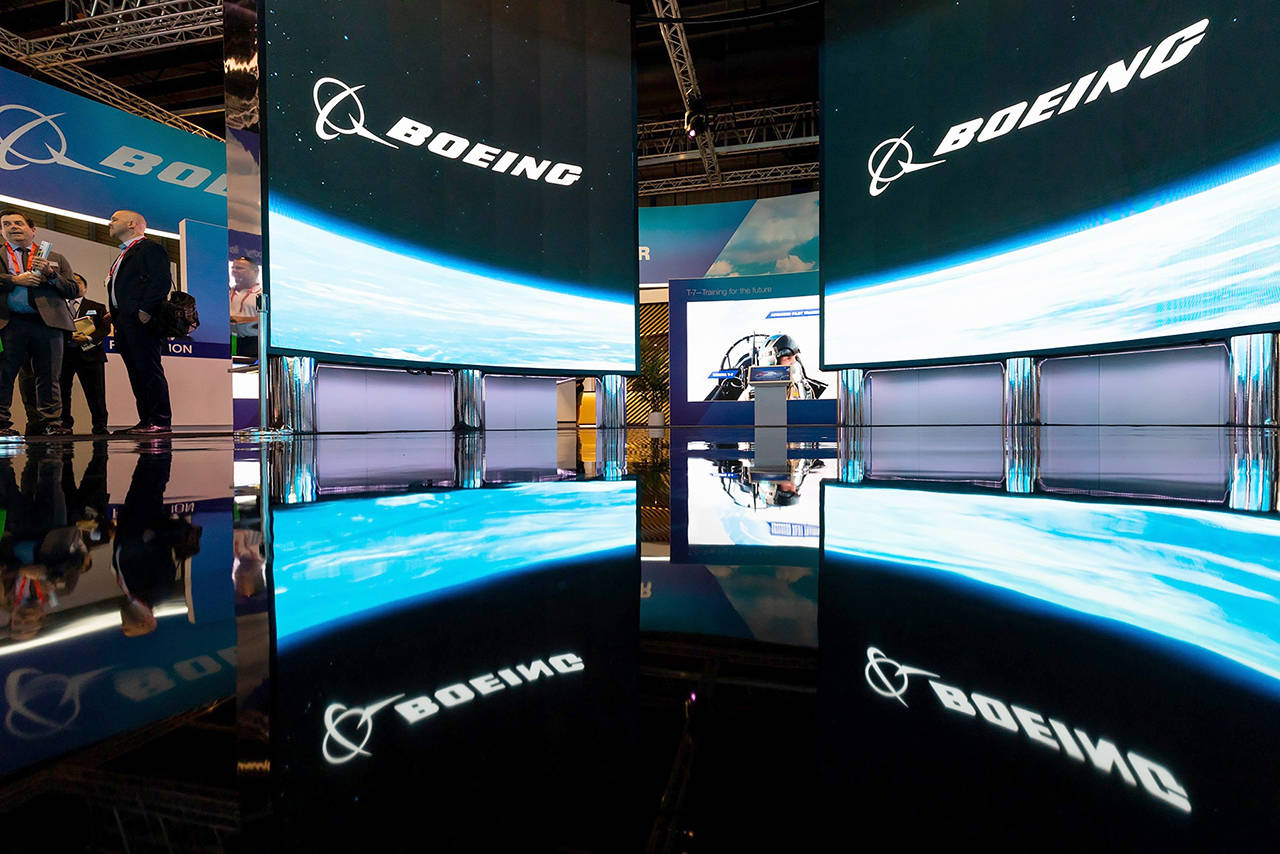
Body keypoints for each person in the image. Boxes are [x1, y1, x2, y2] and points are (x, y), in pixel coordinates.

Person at [0, 210, 83, 437]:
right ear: (1, 231)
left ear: (32, 230)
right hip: (8, 324)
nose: (13, 227)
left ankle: (51, 423)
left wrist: (51, 274)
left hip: (48, 324)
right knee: (4, 374)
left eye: (18, 223)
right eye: (6, 224)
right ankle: (1, 424)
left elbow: (74, 289)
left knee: (49, 375)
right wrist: (14, 279)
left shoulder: (55, 257)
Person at [105, 210, 172, 435]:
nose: (110, 223)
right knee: (136, 372)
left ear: (132, 224)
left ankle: (160, 421)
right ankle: (146, 420)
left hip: (140, 321)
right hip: (124, 321)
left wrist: (145, 310)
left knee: (149, 370)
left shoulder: (150, 248)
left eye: (115, 219)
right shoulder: (124, 253)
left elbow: (161, 281)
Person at [61, 273, 111, 435]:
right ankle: (64, 425)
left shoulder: (97, 306)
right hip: (63, 356)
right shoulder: (57, 307)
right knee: (62, 392)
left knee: (96, 393)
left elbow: (104, 328)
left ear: (85, 287)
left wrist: (89, 338)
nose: (75, 285)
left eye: (78, 282)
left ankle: (100, 425)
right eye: (71, 282)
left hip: (91, 355)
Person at [229, 255, 261, 360]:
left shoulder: (262, 294)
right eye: (233, 267)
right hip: (228, 342)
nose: (235, 271)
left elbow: (270, 321)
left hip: (253, 344)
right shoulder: (226, 293)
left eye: (240, 268)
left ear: (255, 271)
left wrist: (242, 320)